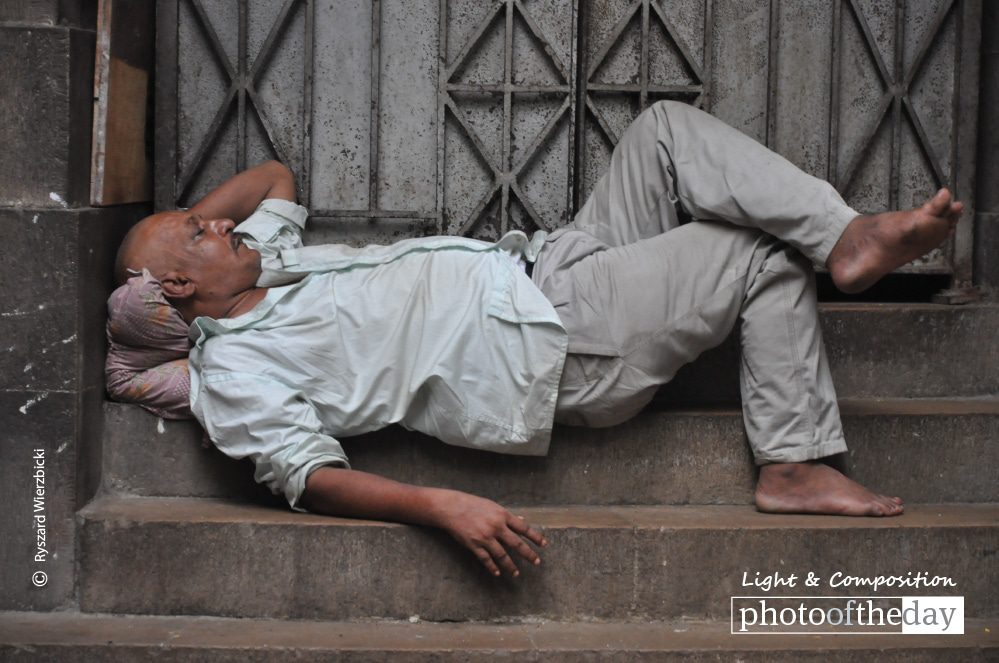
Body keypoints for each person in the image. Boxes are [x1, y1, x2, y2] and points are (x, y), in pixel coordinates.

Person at [116, 101, 963, 579]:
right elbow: (309, 476)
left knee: (662, 130)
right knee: (756, 255)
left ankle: (846, 234)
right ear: (182, 290)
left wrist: (185, 247)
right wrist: (440, 507)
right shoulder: (236, 363)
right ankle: (792, 460)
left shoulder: (272, 260)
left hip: (546, 265)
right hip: (555, 342)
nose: (219, 220)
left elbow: (271, 175)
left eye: (206, 217)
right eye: (199, 231)